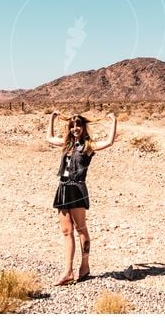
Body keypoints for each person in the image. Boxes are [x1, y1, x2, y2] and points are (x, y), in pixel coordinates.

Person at [46, 110, 117, 285]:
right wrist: (52, 118)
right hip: (62, 188)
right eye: (72, 126)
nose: (75, 128)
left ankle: (84, 266)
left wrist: (114, 121)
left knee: (81, 229)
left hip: (77, 189)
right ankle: (68, 271)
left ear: (83, 127)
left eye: (78, 125)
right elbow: (49, 138)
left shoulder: (88, 146)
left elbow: (109, 142)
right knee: (66, 231)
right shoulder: (66, 144)